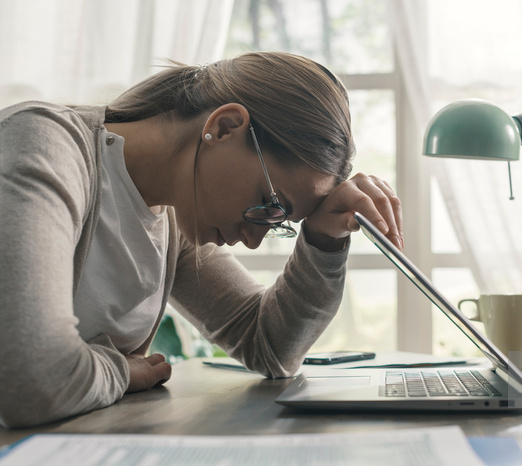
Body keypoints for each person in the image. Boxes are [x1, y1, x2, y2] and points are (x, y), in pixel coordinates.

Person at [0, 51, 403, 429]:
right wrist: (120, 372)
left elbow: (270, 346)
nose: (253, 240)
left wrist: (323, 238)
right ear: (224, 127)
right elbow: (30, 379)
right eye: (269, 203)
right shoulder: (43, 145)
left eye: (280, 221)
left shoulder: (171, 214)